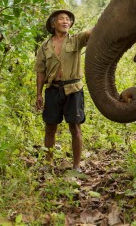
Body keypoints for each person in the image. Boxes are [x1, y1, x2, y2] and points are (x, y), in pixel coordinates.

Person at [35, 9, 93, 172]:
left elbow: (90, 33)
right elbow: (40, 71)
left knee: (75, 127)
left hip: (73, 89)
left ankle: (76, 166)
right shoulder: (45, 47)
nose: (66, 21)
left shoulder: (76, 40)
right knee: (50, 127)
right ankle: (48, 164)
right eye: (61, 19)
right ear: (53, 24)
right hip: (52, 90)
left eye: (68, 19)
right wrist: (39, 94)